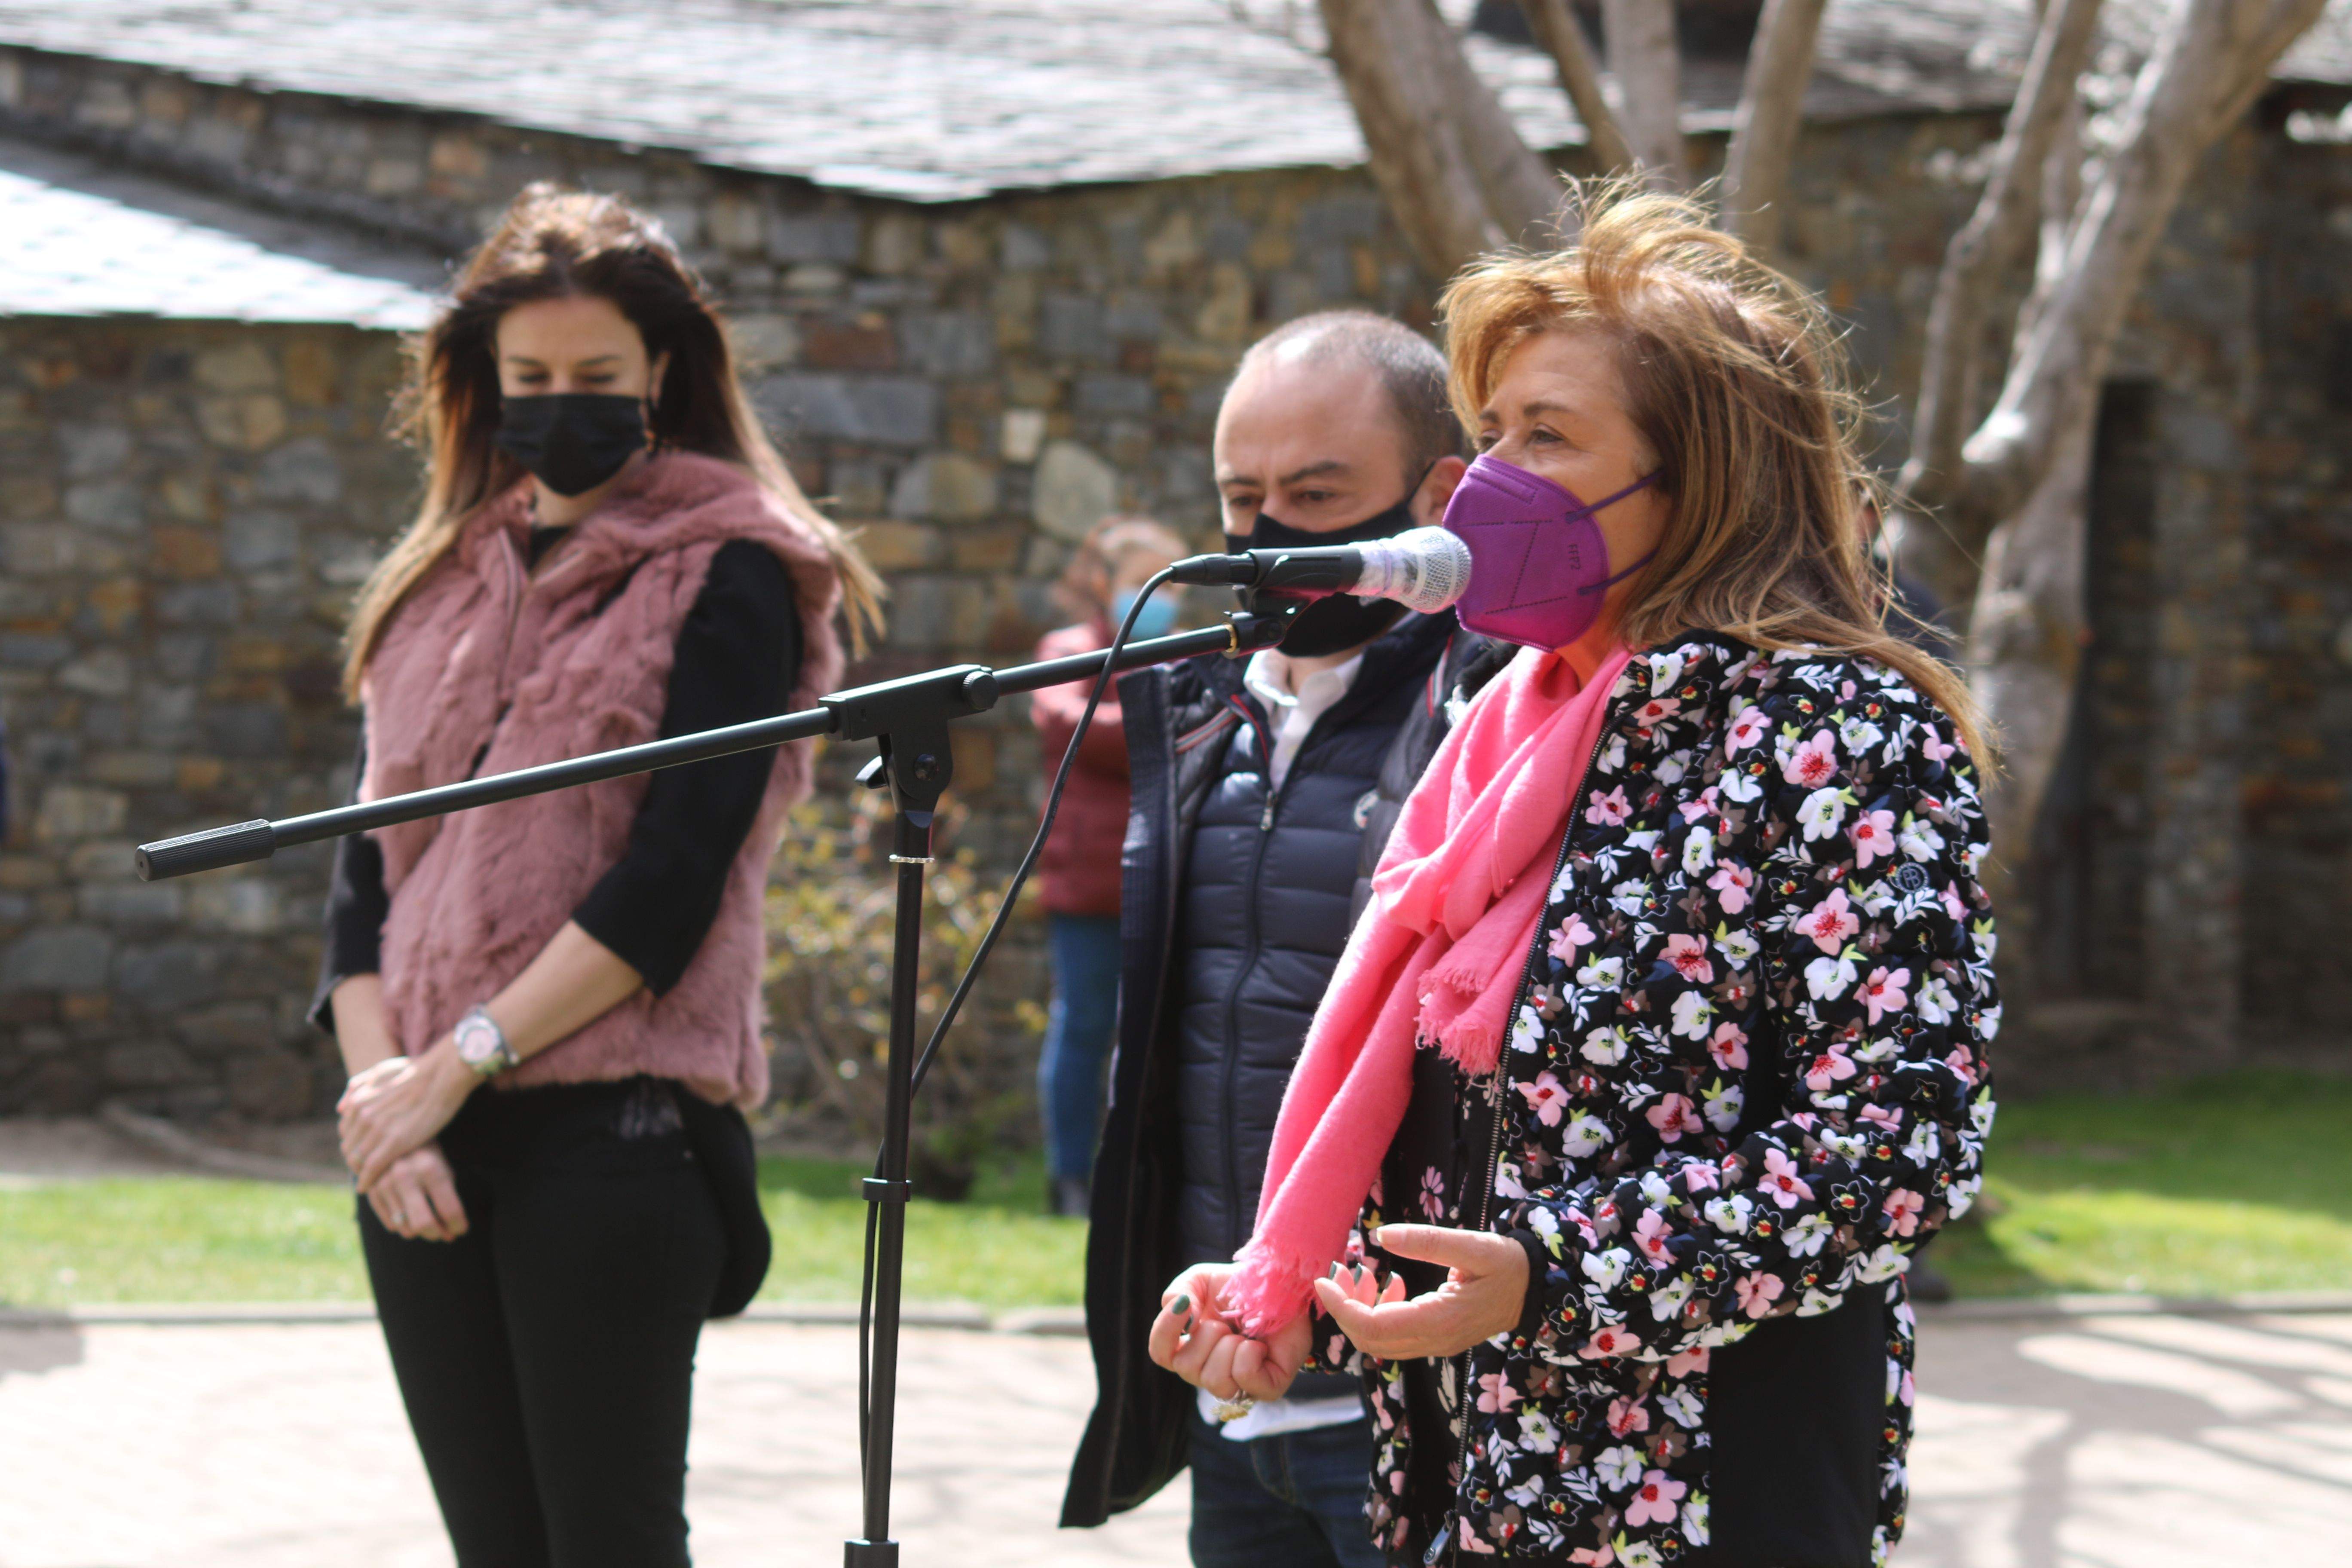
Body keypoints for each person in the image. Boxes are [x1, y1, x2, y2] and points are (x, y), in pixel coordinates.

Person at [1148, 185, 2000, 1568]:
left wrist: (1556, 1276)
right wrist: (1296, 1282)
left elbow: (1903, 1142)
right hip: (1465, 1486)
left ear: (1703, 474)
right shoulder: (1506, 720)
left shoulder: (1835, 728)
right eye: (1491, 433)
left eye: (1547, 436)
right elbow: (1469, 1106)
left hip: (1710, 1493)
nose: (1491, 480)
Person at [314, 184, 883, 1568]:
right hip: (428, 1150)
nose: (562, 403)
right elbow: (363, 874)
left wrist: (458, 1062)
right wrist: (392, 1107)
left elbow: (673, 881)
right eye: (532, 380)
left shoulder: (739, 570)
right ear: (486, 382)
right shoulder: (441, 573)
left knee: (609, 1546)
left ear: (663, 376)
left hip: (612, 1140)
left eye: (597, 379)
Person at [1062, 310, 1500, 1567]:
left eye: (1317, 494)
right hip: (1235, 1372)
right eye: (1241, 498)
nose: (1269, 538)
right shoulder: (1197, 709)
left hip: (1413, 1393)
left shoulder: (1485, 713)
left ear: (1437, 498)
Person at [1030, 517, 1193, 1218]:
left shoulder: (1187, 655)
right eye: (1145, 579)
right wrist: (1170, 725)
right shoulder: (1067, 652)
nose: (1160, 598)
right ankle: (1070, 1178)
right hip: (1089, 879)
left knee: (1156, 1032)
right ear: (1105, 581)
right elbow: (1070, 725)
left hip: (1171, 871)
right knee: (1084, 1026)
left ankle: (1136, 1177)